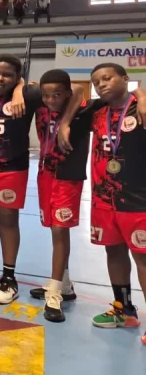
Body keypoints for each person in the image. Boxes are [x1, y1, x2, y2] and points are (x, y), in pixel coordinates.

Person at [0, 55, 81, 304]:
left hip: (11, 169)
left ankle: (9, 279)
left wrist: (64, 124)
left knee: (7, 220)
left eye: (7, 75)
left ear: (18, 77)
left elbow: (78, 90)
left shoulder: (29, 95)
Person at [28, 69, 131, 322]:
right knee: (54, 229)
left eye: (58, 95)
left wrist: (65, 122)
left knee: (60, 232)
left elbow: (78, 89)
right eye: (46, 95)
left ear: (66, 93)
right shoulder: (39, 104)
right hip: (45, 177)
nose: (51, 100)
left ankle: (54, 293)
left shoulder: (84, 109)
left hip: (68, 179)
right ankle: (64, 284)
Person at [66, 63, 146, 343]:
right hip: (103, 198)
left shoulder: (141, 108)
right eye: (97, 81)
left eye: (108, 78)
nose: (102, 84)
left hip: (138, 199)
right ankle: (124, 310)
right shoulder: (97, 112)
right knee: (113, 253)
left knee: (143, 259)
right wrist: (64, 123)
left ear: (126, 79)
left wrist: (143, 94)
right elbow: (74, 94)